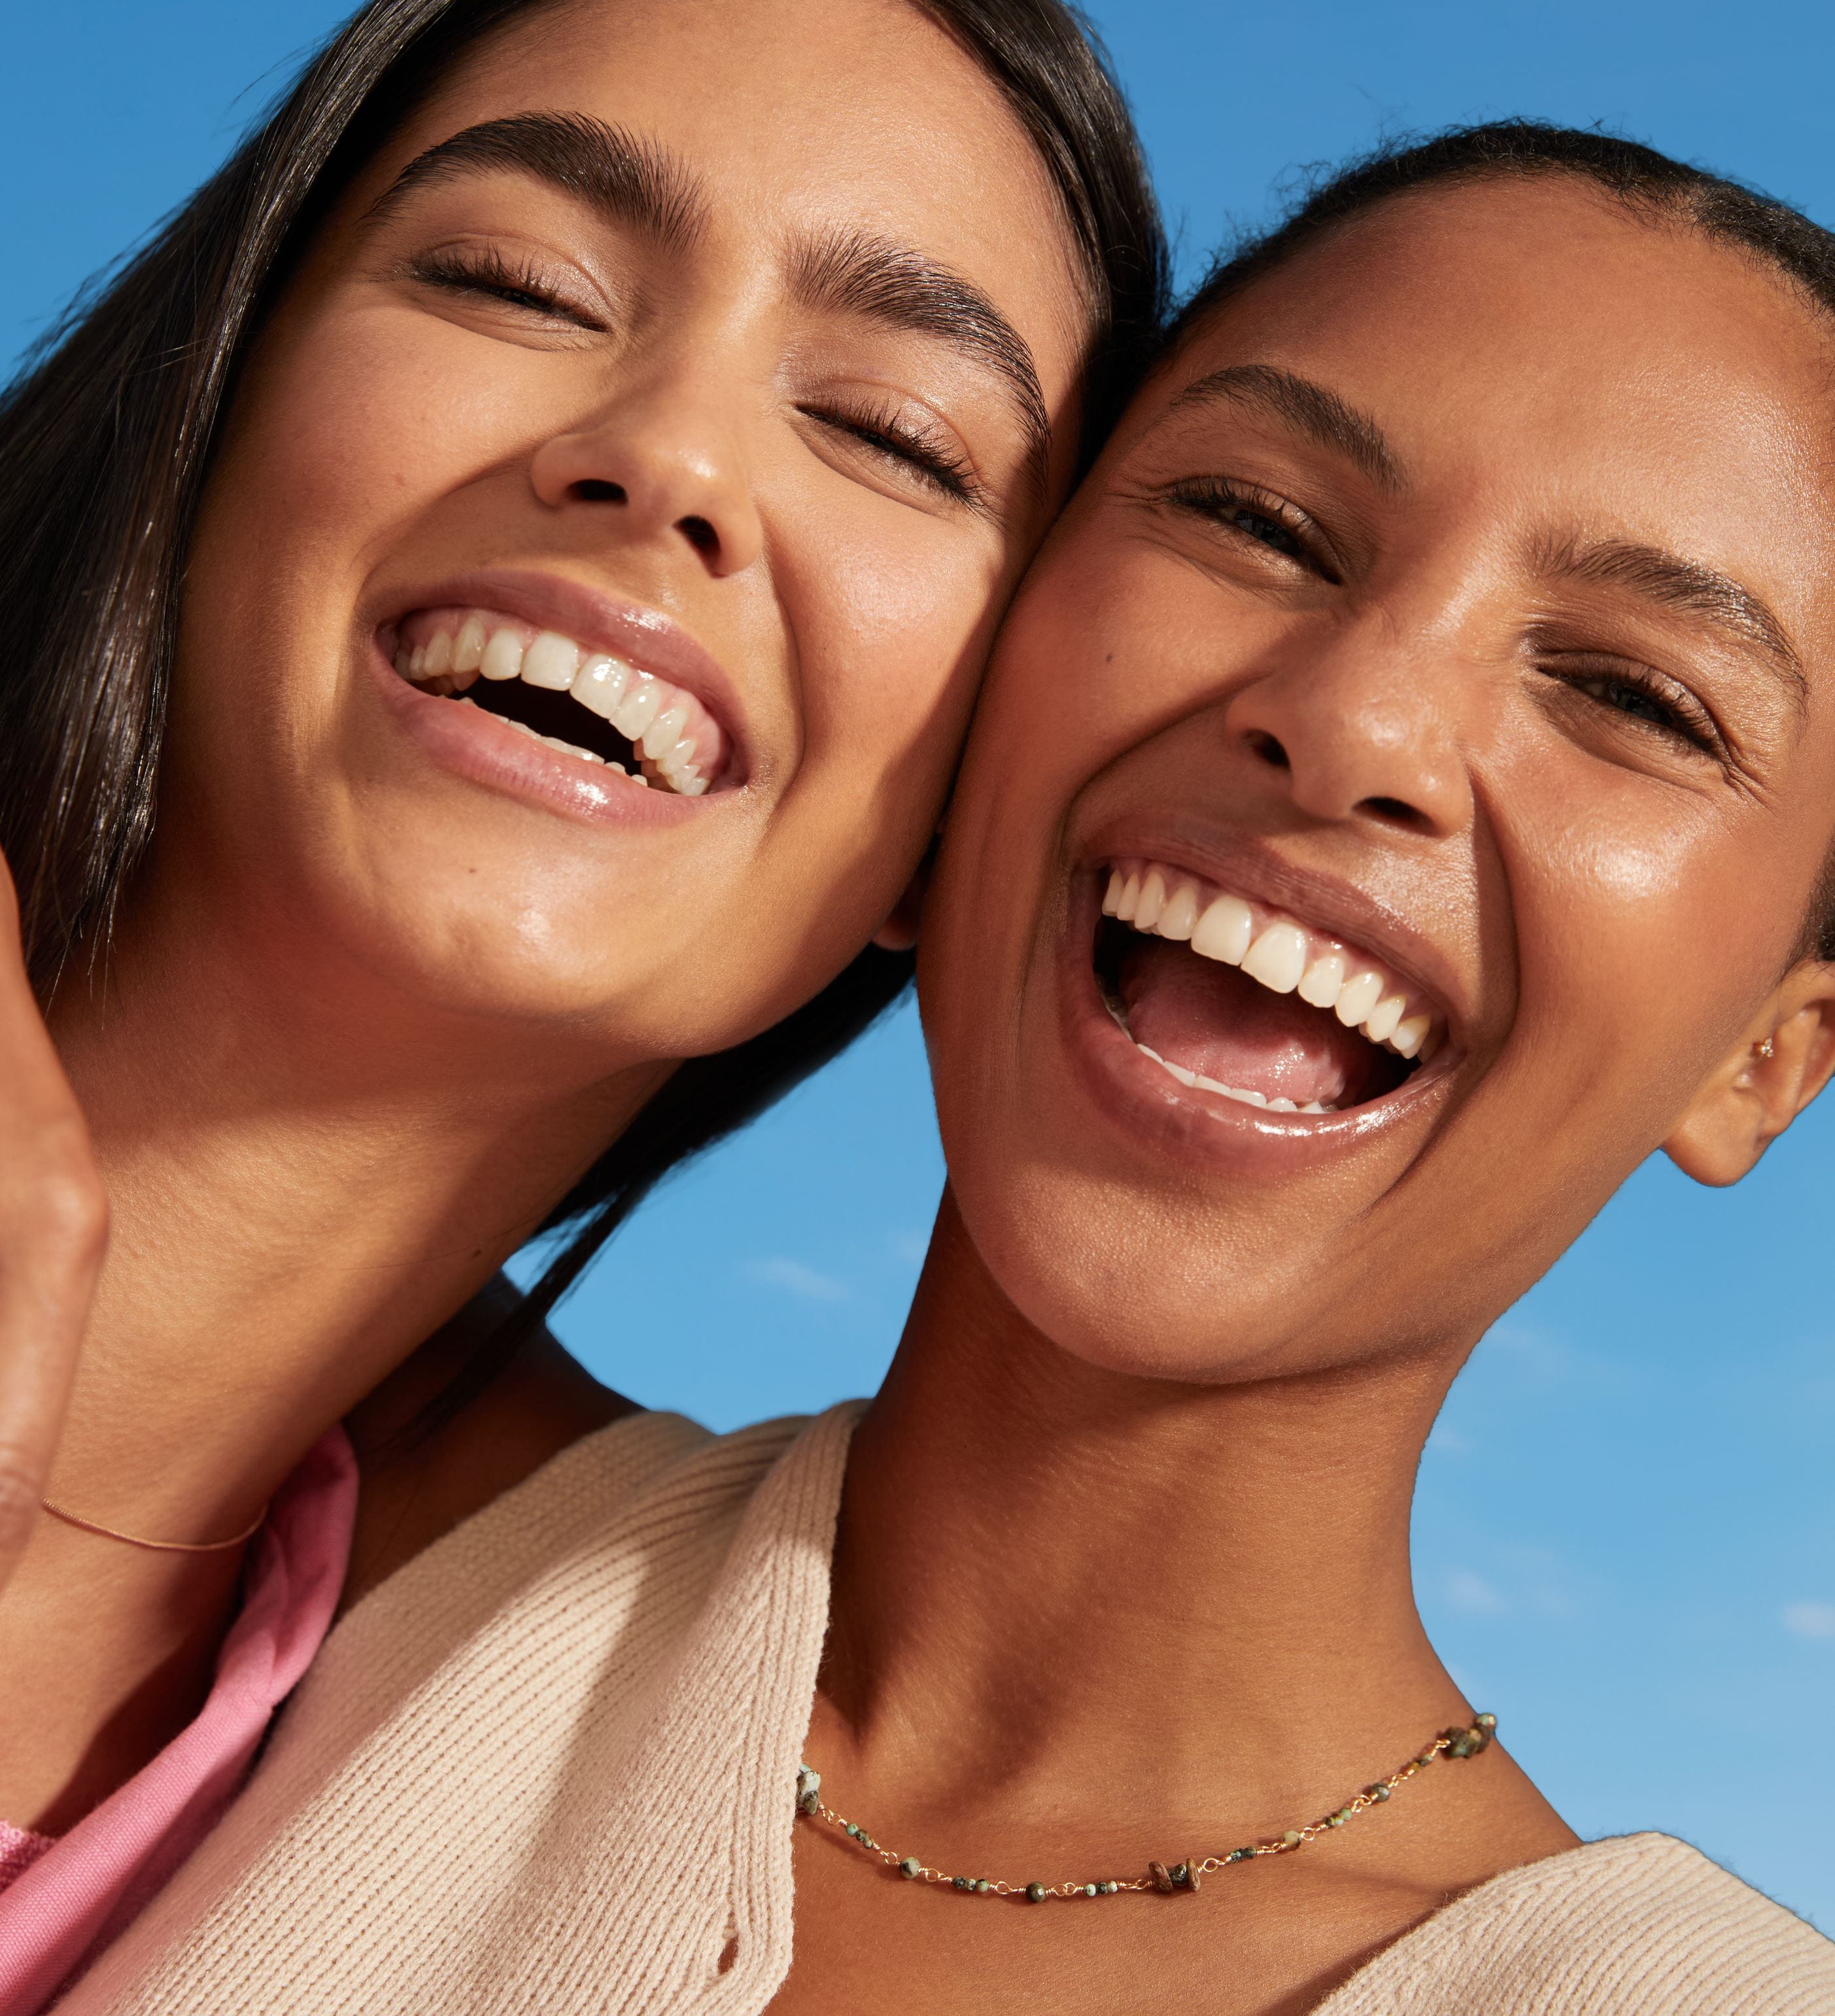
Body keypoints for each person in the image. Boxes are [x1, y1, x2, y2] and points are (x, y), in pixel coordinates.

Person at [59, 121, 1835, 2016]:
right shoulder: (305, 1512)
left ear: (1766, 1057)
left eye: (1638, 697)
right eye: (1257, 522)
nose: (1352, 720)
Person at [0, 0, 1167, 2010]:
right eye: (518, 284)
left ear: (961, 821)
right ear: (220, 387)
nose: (672, 459)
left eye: (895, 435)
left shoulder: (607, 1749)